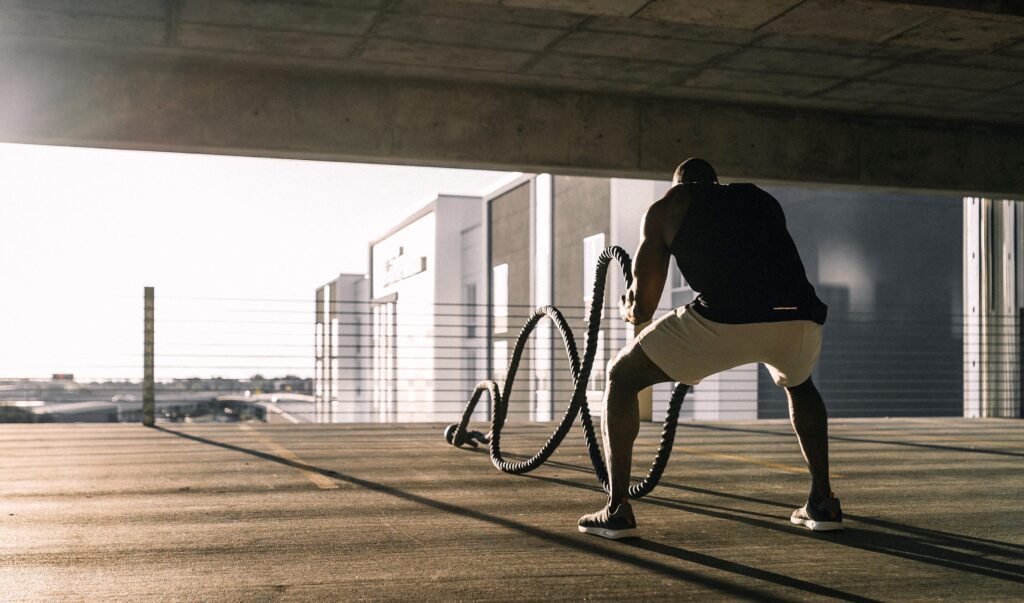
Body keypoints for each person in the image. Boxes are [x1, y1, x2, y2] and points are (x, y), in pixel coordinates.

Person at [577, 158, 841, 539]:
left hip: (726, 319)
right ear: (716, 182)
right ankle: (824, 501)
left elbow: (645, 306)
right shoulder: (757, 198)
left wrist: (628, 307)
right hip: (800, 316)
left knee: (621, 375)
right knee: (800, 385)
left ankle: (617, 509)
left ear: (678, 183)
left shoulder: (669, 206)